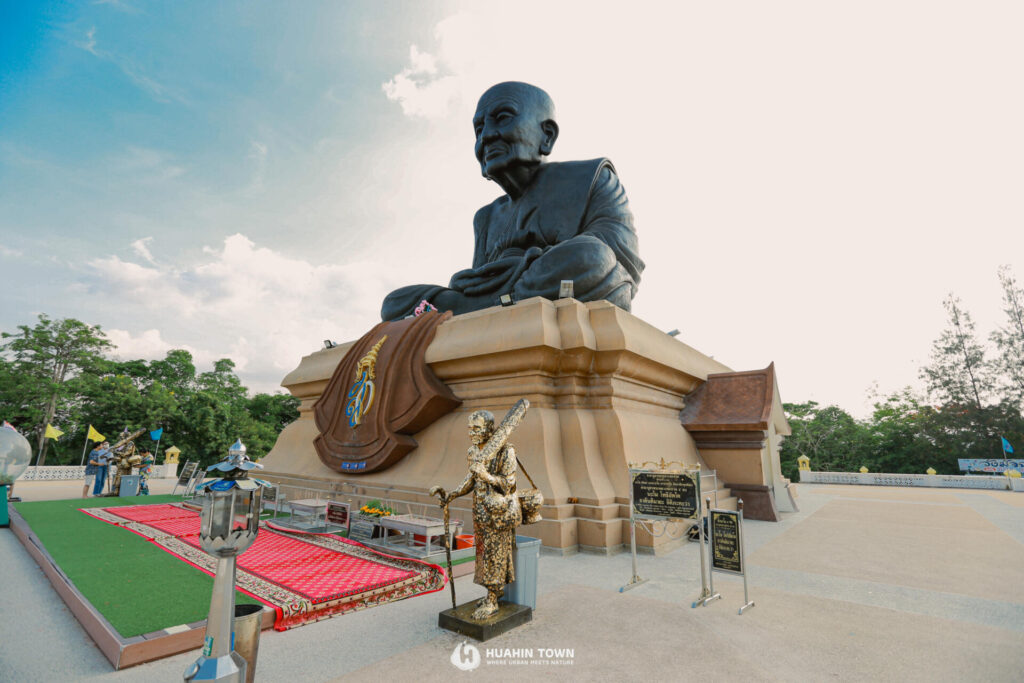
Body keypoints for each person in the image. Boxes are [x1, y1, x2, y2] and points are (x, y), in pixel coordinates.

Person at [381, 82, 644, 320]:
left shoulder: (590, 177)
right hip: (504, 294)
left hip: (553, 281)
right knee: (395, 302)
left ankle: (482, 310)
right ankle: (493, 307)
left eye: (503, 119)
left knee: (590, 254)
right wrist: (475, 283)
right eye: (479, 129)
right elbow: (478, 282)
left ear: (547, 136)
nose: (486, 137)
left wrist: (521, 264)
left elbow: (619, 261)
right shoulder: (486, 216)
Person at [430, 400, 528, 620]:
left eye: (476, 428)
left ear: (490, 429)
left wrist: (486, 475)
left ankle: (493, 599)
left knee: (496, 555)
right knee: (483, 555)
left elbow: (508, 484)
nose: (471, 433)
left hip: (498, 513)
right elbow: (471, 480)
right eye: (469, 428)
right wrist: (453, 494)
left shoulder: (506, 451)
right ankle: (491, 594)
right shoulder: (473, 451)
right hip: (480, 512)